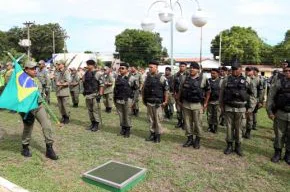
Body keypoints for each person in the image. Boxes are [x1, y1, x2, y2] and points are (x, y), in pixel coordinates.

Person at [20, 61, 58, 160]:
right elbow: (19, 98)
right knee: (28, 127)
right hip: (28, 108)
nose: (34, 70)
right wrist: (23, 112)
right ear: (26, 69)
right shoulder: (21, 80)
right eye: (32, 69)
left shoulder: (36, 79)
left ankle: (49, 148)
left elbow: (41, 91)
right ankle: (25, 147)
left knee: (47, 125)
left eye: (35, 68)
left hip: (39, 105)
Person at [220, 62, 254, 156]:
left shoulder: (247, 80)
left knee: (239, 128)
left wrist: (250, 109)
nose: (234, 71)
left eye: (236, 69)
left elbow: (252, 95)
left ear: (240, 69)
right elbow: (221, 94)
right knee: (229, 128)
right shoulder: (226, 79)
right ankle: (229, 145)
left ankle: (238, 146)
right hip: (229, 108)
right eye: (233, 69)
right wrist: (221, 106)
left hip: (241, 108)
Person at [178, 62, 210, 149]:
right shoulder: (184, 78)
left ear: (198, 70)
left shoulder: (203, 78)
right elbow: (180, 90)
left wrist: (206, 103)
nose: (192, 69)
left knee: (198, 123)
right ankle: (189, 139)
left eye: (194, 68)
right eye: (190, 68)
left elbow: (208, 91)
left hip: (197, 105)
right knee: (187, 123)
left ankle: (197, 140)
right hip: (186, 104)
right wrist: (179, 101)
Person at [267, 61, 290, 165]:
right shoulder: (278, 82)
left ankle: (288, 154)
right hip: (280, 113)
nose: (287, 72)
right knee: (279, 134)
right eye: (285, 71)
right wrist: (270, 111)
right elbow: (271, 97)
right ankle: (277, 153)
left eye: (289, 71)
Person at [142, 60, 169, 143]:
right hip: (149, 102)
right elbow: (144, 89)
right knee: (151, 120)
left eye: (151, 67)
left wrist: (165, 101)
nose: (149, 69)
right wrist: (144, 99)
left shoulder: (162, 78)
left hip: (158, 103)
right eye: (149, 67)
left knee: (157, 120)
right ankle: (152, 134)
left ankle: (158, 136)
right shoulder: (147, 77)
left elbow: (166, 90)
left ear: (156, 68)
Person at [114, 63, 138, 138]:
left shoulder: (132, 78)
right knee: (121, 114)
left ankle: (127, 130)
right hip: (119, 99)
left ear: (127, 69)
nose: (120, 69)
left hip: (128, 99)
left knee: (127, 115)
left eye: (122, 68)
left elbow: (136, 91)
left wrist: (133, 101)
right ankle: (123, 128)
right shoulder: (118, 77)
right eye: (120, 68)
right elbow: (115, 89)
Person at [82, 60, 104, 132]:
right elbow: (84, 81)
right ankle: (92, 123)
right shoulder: (86, 73)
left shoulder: (98, 73)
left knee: (95, 110)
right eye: (87, 64)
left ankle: (96, 125)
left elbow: (101, 85)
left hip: (95, 94)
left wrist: (100, 94)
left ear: (92, 65)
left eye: (88, 65)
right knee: (89, 110)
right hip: (88, 94)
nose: (87, 66)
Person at [243, 67, 257, 139]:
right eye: (247, 70)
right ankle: (242, 131)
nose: (248, 72)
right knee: (242, 117)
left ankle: (248, 132)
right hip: (243, 101)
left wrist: (259, 101)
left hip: (252, 101)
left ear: (253, 71)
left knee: (250, 117)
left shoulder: (257, 79)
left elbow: (261, 91)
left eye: (249, 71)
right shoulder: (243, 79)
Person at [173, 62, 188, 128]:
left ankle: (185, 123)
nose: (182, 67)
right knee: (178, 110)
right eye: (181, 66)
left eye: (183, 66)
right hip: (177, 96)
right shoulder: (176, 75)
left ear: (186, 67)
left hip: (185, 95)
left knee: (185, 110)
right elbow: (173, 85)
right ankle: (179, 122)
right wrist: (174, 93)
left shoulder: (188, 75)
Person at [207, 68, 222, 133]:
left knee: (216, 115)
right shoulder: (208, 81)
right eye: (211, 73)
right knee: (210, 115)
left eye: (214, 73)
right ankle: (210, 127)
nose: (212, 74)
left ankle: (215, 128)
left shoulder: (221, 81)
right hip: (210, 101)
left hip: (217, 101)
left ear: (218, 74)